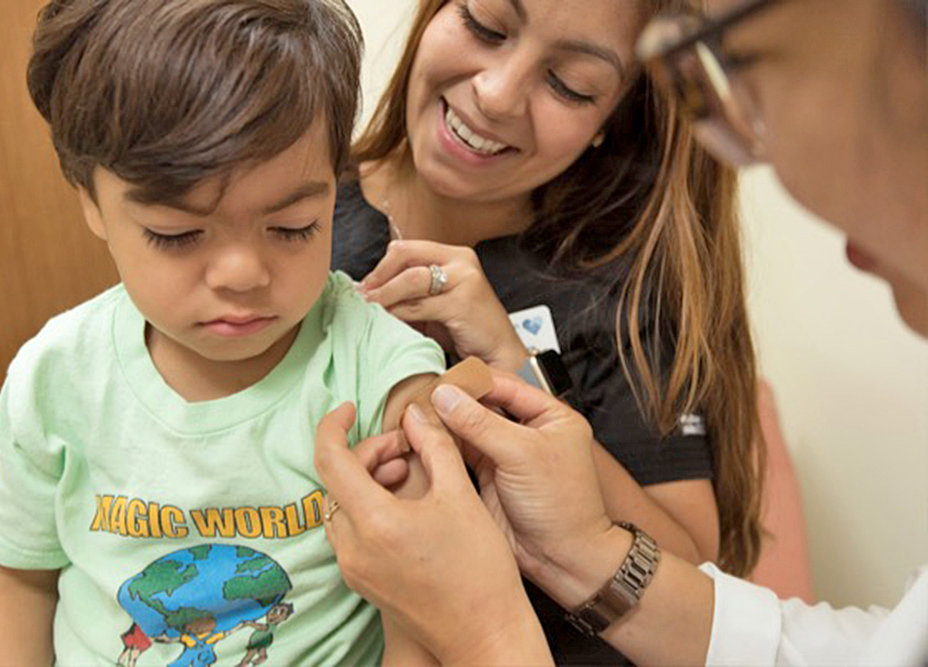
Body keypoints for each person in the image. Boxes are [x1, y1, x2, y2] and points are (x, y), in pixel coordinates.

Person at [316, 0, 928, 663]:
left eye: (570, 85)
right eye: (485, 24)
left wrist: (519, 369)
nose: (494, 95)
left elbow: (694, 564)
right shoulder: (296, 213)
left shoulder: (616, 291)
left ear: (614, 117)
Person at [0, 1, 446, 665]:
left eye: (293, 225)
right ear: (91, 202)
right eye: (178, 234)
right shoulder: (56, 376)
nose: (243, 273)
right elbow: (14, 578)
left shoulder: (378, 368)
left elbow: (428, 608)